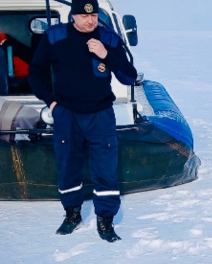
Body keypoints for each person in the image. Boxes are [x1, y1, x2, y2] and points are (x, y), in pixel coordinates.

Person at [28, 0, 137, 242]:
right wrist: (51, 102)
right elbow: (35, 72)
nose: (91, 20)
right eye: (84, 15)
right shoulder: (55, 37)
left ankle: (105, 220)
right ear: (73, 16)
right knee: (67, 164)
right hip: (66, 113)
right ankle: (72, 214)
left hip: (100, 114)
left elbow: (129, 76)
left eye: (94, 15)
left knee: (105, 167)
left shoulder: (107, 38)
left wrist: (105, 54)